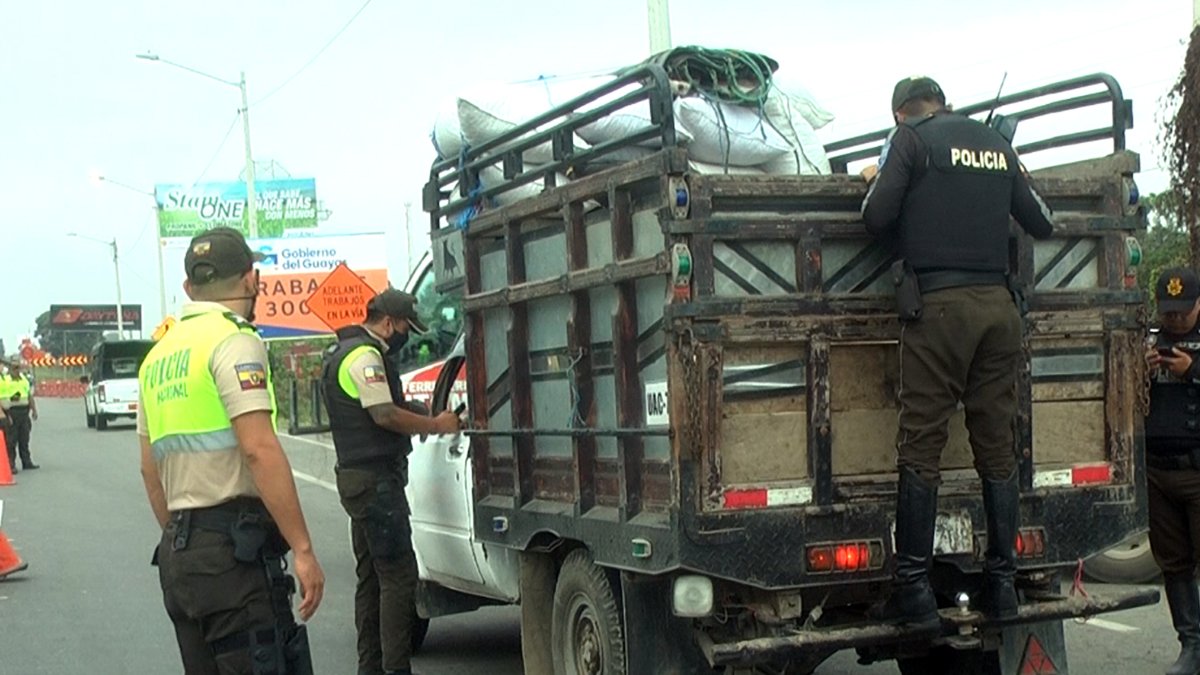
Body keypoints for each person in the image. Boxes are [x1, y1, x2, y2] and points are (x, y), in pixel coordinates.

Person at [860, 76, 1055, 628]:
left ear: (901, 113)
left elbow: (875, 217)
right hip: (1000, 310)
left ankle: (916, 592)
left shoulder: (912, 141)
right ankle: (1003, 586)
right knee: (997, 448)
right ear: (943, 102)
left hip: (941, 309)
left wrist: (877, 177)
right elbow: (1040, 218)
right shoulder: (994, 143)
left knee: (921, 445)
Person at [137, 226, 324, 674]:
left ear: (188, 288)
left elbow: (149, 470)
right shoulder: (234, 341)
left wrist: (186, 541)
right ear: (250, 279)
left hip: (180, 560)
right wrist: (302, 549)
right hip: (233, 561)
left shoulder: (157, 357)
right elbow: (259, 448)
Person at [321, 289, 460, 675]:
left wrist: (419, 410)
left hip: (356, 481)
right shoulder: (365, 356)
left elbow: (377, 408)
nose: (406, 335)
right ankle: (396, 669)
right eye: (404, 327)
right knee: (399, 578)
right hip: (376, 484)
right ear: (386, 322)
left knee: (370, 579)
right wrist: (434, 425)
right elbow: (383, 415)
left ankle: (371, 667)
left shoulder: (341, 353)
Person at [1145, 267, 1200, 675]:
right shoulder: (1148, 340)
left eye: (1182, 313)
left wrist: (1192, 371)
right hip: (1158, 473)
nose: (1175, 321)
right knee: (1174, 563)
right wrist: (1140, 370)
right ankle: (1192, 645)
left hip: (1198, 471)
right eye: (1169, 313)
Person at [1, 360, 39, 474]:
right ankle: (11, 464)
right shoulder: (4, 381)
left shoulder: (24, 380)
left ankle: (26, 462)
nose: (17, 370)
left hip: (24, 412)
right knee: (11, 440)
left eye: (18, 368)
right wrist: (5, 414)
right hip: (11, 412)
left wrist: (34, 410)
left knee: (24, 438)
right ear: (10, 369)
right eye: (14, 368)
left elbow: (28, 396)